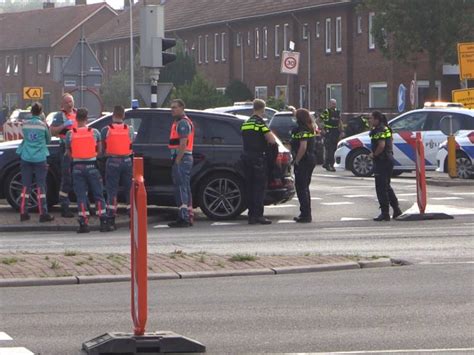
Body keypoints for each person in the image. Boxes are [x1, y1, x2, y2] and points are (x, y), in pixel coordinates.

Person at [65, 108, 107, 233]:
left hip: (77, 167)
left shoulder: (70, 134)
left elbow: (68, 152)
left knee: (81, 196)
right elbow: (99, 151)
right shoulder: (95, 132)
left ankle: (84, 223)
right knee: (98, 194)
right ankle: (103, 221)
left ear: (76, 119)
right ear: (87, 118)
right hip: (92, 166)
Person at [240, 99, 277, 225]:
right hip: (258, 158)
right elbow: (272, 140)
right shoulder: (260, 123)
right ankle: (259, 215)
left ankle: (251, 215)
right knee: (259, 188)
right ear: (263, 109)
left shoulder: (246, 123)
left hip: (246, 157)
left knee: (249, 187)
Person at [16, 102, 54, 223]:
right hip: (40, 158)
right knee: (40, 186)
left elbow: (26, 138)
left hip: (26, 157)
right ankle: (43, 213)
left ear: (31, 111)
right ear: (41, 112)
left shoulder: (25, 124)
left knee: (25, 186)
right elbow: (48, 139)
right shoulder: (43, 125)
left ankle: (23, 212)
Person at [101, 105, 134, 231]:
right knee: (129, 190)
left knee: (112, 191)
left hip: (113, 160)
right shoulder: (129, 129)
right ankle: (132, 217)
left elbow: (102, 148)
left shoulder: (106, 130)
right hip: (127, 160)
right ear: (123, 115)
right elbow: (131, 143)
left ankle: (111, 219)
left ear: (113, 115)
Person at [368, 111, 402, 221]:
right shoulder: (386, 128)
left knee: (381, 188)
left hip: (382, 160)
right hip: (388, 159)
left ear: (377, 119)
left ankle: (385, 213)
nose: (370, 120)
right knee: (387, 186)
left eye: (371, 118)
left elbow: (381, 145)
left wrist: (374, 154)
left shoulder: (380, 130)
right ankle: (396, 210)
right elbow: (390, 141)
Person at [50, 93, 77, 218]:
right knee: (66, 178)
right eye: (67, 102)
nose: (69, 104)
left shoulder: (78, 114)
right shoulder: (59, 116)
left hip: (78, 149)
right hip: (65, 149)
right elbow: (52, 130)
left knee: (79, 177)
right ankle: (64, 207)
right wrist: (63, 126)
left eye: (71, 101)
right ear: (63, 104)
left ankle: (85, 205)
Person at [168, 99, 194, 228]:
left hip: (182, 158)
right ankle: (186, 215)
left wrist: (178, 160)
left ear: (182, 107)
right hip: (183, 158)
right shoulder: (179, 122)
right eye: (171, 107)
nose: (172, 109)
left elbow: (183, 144)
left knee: (181, 187)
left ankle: (184, 216)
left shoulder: (183, 123)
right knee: (184, 186)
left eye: (175, 107)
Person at [290, 108, 318, 223]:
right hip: (310, 159)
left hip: (304, 160)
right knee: (305, 187)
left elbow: (303, 146)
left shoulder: (301, 129)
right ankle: (306, 213)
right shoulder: (309, 127)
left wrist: (297, 160)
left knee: (301, 187)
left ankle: (305, 214)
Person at [318, 99, 344, 171]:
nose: (334, 105)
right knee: (330, 149)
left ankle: (326, 164)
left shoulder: (338, 112)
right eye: (332, 103)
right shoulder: (326, 112)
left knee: (334, 148)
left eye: (335, 103)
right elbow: (318, 120)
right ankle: (330, 165)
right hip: (329, 132)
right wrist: (322, 129)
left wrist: (342, 131)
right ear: (329, 104)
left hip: (336, 131)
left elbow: (339, 122)